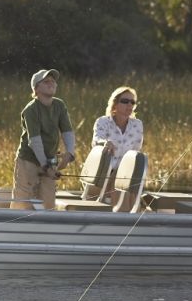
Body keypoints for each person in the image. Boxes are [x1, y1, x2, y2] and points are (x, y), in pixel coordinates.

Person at [12, 69, 76, 210]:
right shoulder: (31, 110)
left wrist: (69, 154)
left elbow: (67, 132)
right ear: (36, 88)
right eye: (46, 81)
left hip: (50, 160)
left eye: (53, 81)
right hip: (28, 160)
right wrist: (46, 167)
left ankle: (46, 227)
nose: (51, 83)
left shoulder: (60, 105)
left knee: (48, 201)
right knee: (23, 201)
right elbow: (34, 141)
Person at [91, 86, 144, 210]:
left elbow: (135, 152)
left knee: (128, 176)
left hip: (125, 174)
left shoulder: (137, 125)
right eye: (125, 101)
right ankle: (122, 215)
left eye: (132, 102)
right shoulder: (102, 121)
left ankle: (125, 216)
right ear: (114, 104)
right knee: (120, 179)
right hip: (104, 171)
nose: (129, 105)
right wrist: (105, 143)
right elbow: (96, 141)